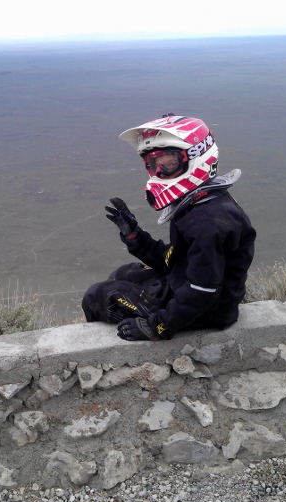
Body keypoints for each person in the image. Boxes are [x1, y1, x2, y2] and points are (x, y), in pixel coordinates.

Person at [82, 113, 256, 342]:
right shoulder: (204, 202)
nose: (160, 174)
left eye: (170, 164)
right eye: (155, 164)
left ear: (196, 157)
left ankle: (101, 350)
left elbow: (203, 290)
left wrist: (156, 326)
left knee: (99, 295)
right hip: (190, 292)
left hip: (207, 313)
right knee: (124, 273)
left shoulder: (207, 221)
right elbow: (178, 260)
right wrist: (135, 236)